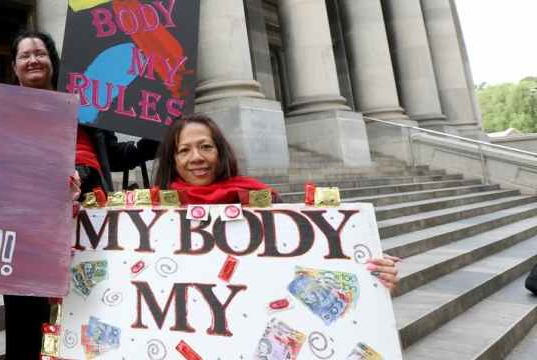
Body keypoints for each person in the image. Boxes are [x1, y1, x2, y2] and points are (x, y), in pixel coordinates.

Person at [3, 30, 157, 359]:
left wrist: (153, 140)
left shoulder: (85, 109)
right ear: (14, 67)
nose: (33, 60)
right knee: (26, 323)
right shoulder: (1, 112)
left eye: (40, 54)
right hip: (26, 237)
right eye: (25, 55)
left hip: (89, 224)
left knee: (90, 309)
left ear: (52, 63)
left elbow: (116, 156)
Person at [153, 113, 401, 290]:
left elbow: (311, 261)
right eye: (184, 150)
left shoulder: (262, 198)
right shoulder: (149, 215)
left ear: (220, 152)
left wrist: (365, 271)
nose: (196, 157)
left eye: (206, 147)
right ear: (172, 160)